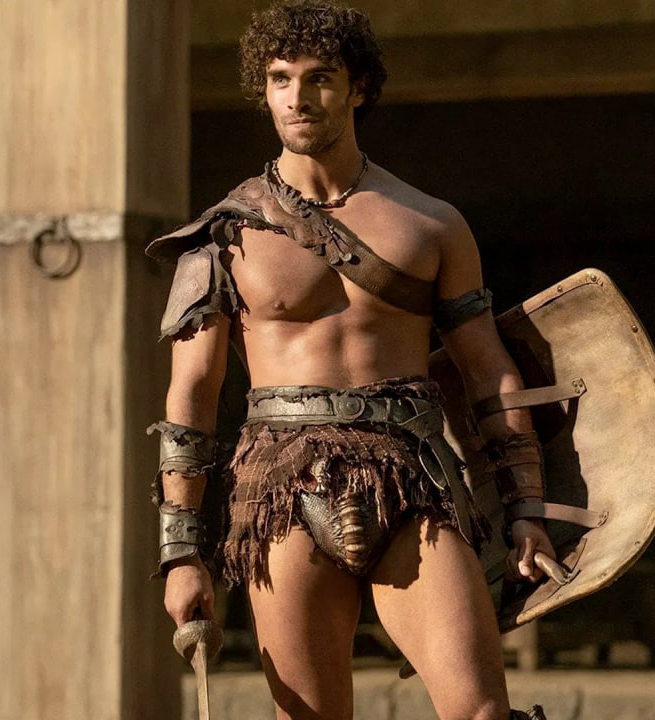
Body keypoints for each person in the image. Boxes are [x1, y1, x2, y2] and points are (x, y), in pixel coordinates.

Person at [146, 3, 556, 718]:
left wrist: (526, 509)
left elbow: (489, 372)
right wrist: (181, 550)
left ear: (358, 87)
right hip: (279, 490)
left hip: (414, 477)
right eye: (280, 79)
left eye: (320, 78)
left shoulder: (431, 223)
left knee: (483, 712)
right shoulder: (224, 235)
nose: (297, 97)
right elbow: (191, 397)